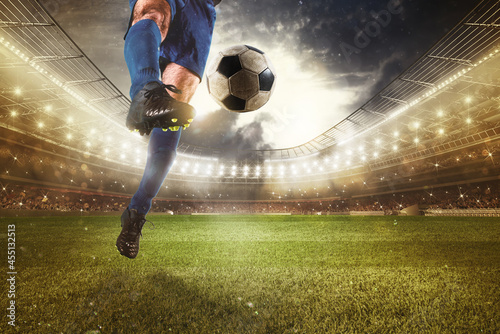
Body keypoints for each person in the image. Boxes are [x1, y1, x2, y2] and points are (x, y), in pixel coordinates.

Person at [116, 0, 221, 259]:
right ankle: (144, 90)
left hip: (203, 7)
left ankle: (136, 212)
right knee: (155, 12)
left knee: (175, 108)